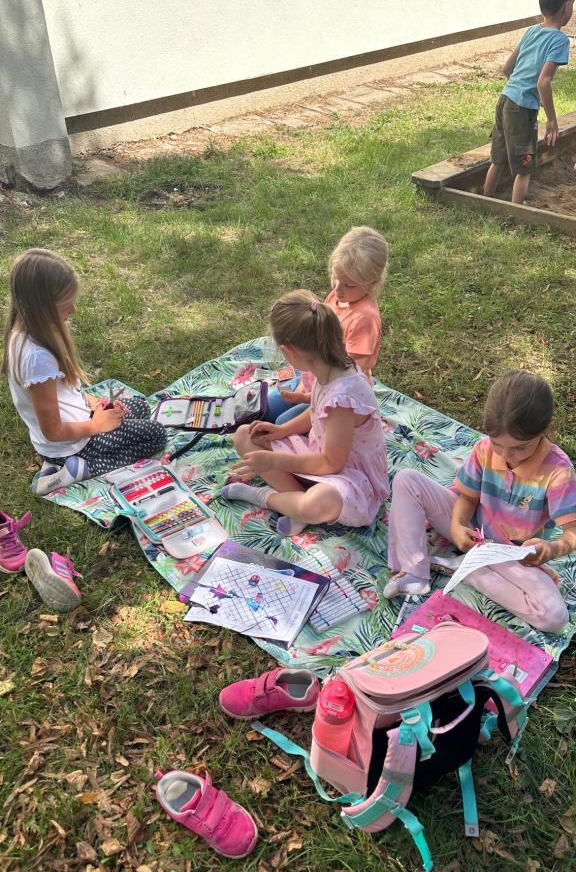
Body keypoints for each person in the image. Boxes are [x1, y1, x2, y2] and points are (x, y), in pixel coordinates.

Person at [384, 370, 576, 634]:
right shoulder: (484, 449)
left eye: (520, 447)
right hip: (474, 532)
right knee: (407, 479)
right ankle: (413, 572)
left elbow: (572, 532)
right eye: (498, 444)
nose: (507, 455)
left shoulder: (558, 471)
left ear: (547, 430)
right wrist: (458, 523)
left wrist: (550, 550)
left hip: (511, 553)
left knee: (554, 617)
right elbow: (468, 497)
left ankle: (467, 569)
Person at [222, 290, 389, 537]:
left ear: (290, 351)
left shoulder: (343, 399)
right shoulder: (329, 368)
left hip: (352, 478)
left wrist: (274, 461)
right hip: (318, 453)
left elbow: (332, 463)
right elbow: (316, 411)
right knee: (245, 436)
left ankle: (266, 497)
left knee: (316, 503)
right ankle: (295, 503)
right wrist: (282, 430)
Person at [2, 248, 167, 496]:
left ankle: (62, 462)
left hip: (78, 424)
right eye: (66, 305)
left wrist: (93, 403)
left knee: (140, 407)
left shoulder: (28, 333)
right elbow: (53, 430)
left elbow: (65, 392)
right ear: (43, 308)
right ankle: (79, 470)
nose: (73, 310)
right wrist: (96, 425)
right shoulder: (37, 358)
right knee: (156, 435)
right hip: (72, 444)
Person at [265, 226, 389, 425]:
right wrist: (303, 385)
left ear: (372, 283)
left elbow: (347, 378)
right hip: (314, 375)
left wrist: (308, 397)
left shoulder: (365, 319)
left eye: (349, 285)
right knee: (268, 407)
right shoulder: (339, 296)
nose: (337, 289)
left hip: (337, 395)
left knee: (281, 422)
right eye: (335, 277)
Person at [483, 0, 574, 205]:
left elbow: (507, 68)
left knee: (498, 159)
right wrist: (551, 120)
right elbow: (543, 82)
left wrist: (520, 88)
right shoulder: (560, 40)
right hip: (521, 109)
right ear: (567, 6)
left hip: (505, 99)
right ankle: (517, 209)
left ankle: (486, 200)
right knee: (525, 167)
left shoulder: (532, 31)